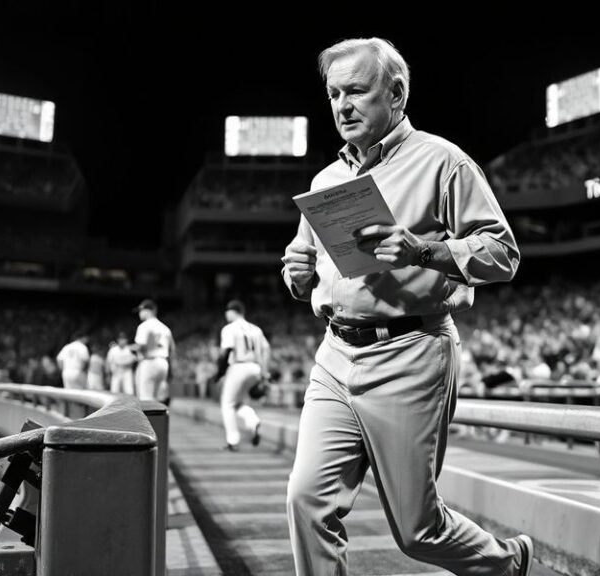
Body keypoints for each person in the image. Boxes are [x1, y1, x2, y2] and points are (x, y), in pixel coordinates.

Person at [281, 38, 531, 576]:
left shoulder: (443, 161)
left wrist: (424, 250)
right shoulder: (327, 179)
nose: (342, 106)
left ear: (395, 93)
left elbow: (504, 254)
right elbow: (307, 273)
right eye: (333, 94)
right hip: (334, 356)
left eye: (356, 91)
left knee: (418, 532)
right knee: (306, 500)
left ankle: (505, 564)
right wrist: (297, 277)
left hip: (410, 351)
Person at [213, 300, 270, 451]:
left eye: (227, 311)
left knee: (227, 405)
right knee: (238, 403)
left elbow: (226, 351)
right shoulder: (255, 329)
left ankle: (233, 441)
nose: (226, 314)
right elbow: (266, 348)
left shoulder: (229, 328)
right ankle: (253, 421)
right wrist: (264, 372)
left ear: (233, 311)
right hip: (255, 368)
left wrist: (219, 372)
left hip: (238, 367)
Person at [132, 299, 175, 403]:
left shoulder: (144, 326)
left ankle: (148, 420)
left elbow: (140, 346)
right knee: (160, 400)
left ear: (148, 311)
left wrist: (129, 348)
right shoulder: (165, 328)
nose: (140, 313)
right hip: (163, 363)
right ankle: (161, 419)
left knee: (146, 399)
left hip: (149, 362)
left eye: (141, 310)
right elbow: (172, 349)